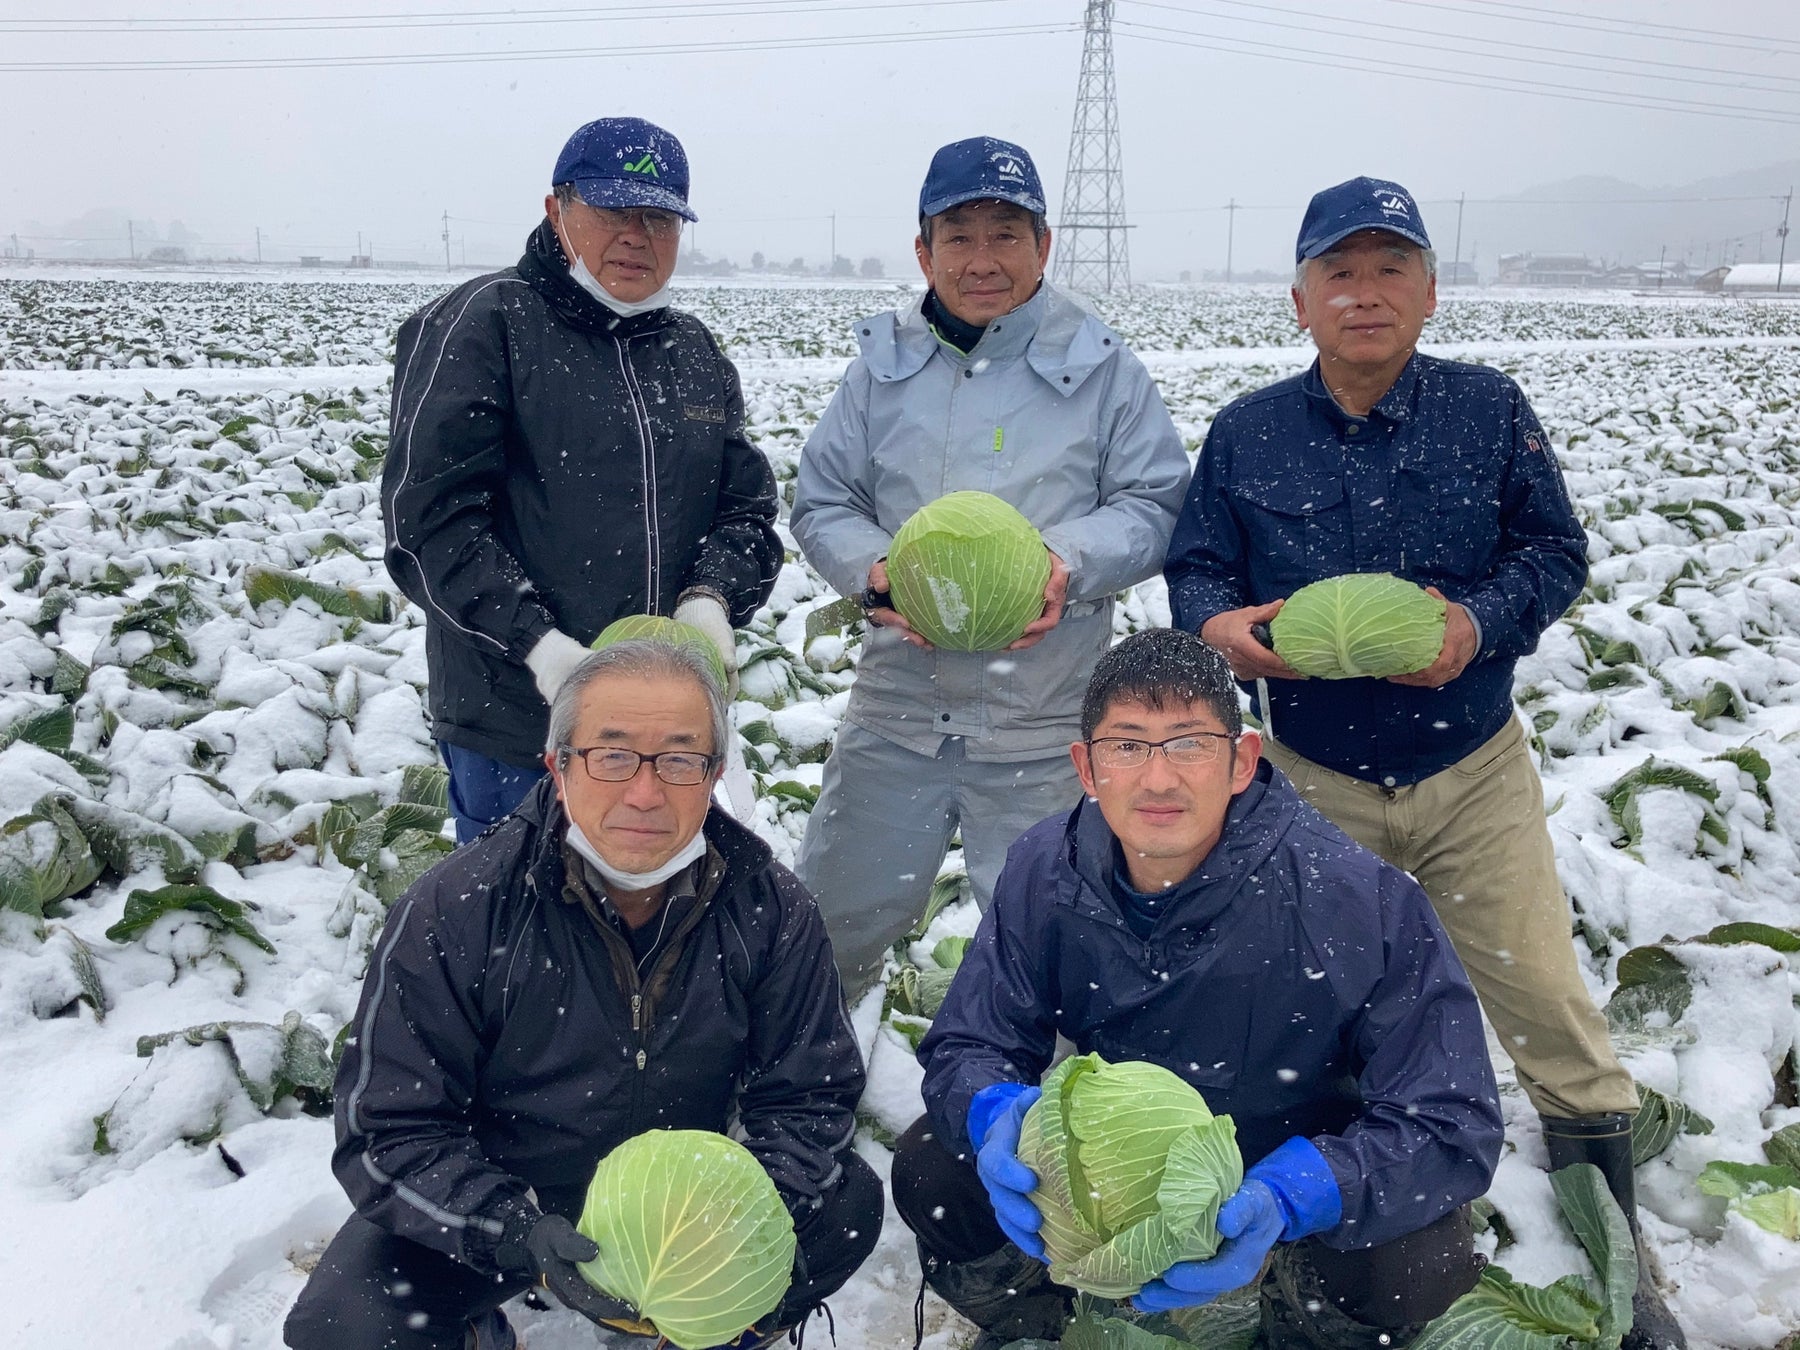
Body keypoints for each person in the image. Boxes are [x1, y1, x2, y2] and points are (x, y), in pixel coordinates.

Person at [1161, 176, 1683, 1349]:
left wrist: (1476, 627)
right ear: (1300, 301)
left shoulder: (1489, 412)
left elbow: (1554, 552)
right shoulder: (1249, 432)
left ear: (1430, 292)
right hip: (1314, 785)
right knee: (1312, 1021)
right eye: (1339, 273)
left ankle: (1618, 1253)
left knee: (1547, 1004)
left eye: (1391, 269)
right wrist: (1221, 633)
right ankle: (1312, 1250)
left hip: (1470, 770)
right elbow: (1198, 569)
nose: (1365, 294)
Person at [892, 630, 1502, 1348]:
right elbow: (971, 1039)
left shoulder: (1357, 898)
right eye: (1127, 746)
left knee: (1413, 1257)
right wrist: (991, 1108)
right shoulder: (1045, 869)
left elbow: (1451, 1119)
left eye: (1189, 744)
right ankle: (1050, 1323)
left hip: (1293, 1161)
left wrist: (1293, 1194)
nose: (1158, 780)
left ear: (1242, 761)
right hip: (1122, 1167)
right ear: (1086, 769)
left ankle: (1300, 1317)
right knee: (936, 1166)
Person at [284, 639, 880, 1350]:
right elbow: (388, 1129)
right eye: (613, 754)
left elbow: (809, 1096)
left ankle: (704, 1334)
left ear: (714, 773)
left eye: (680, 759)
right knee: (348, 1326)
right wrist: (514, 1228)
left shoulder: (768, 906)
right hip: (512, 1189)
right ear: (558, 765)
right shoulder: (458, 909)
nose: (645, 792)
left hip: (681, 1197)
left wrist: (731, 1225)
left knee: (845, 1201)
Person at [789, 135, 1190, 991]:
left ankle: (1044, 1113)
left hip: (1044, 721)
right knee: (830, 925)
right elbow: (822, 499)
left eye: (1006, 234)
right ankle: (803, 1094)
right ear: (923, 250)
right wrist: (875, 574)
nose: (982, 259)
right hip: (897, 712)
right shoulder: (881, 369)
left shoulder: (1103, 368)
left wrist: (1063, 562)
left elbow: (1155, 503)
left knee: (1060, 951)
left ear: (1043, 245)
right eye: (958, 235)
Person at [383, 116, 781, 843]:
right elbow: (428, 526)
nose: (636, 234)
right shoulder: (485, 324)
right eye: (611, 210)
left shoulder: (691, 351)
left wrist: (711, 598)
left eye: (658, 216)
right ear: (556, 209)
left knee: (651, 933)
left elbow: (746, 509)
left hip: (665, 735)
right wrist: (542, 648)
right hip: (520, 729)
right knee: (522, 939)